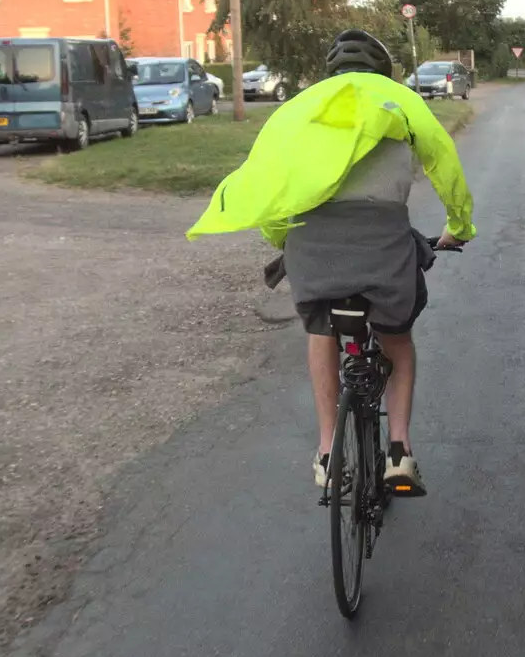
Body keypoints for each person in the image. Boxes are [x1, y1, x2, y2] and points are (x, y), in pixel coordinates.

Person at [187, 29, 476, 496]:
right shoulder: (400, 100)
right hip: (384, 243)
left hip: (312, 247)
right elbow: (445, 165)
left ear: (330, 73)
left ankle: (327, 451)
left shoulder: (297, 109)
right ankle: (399, 452)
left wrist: (282, 239)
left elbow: (271, 185)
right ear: (383, 72)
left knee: (321, 333)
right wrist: (459, 226)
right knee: (397, 342)